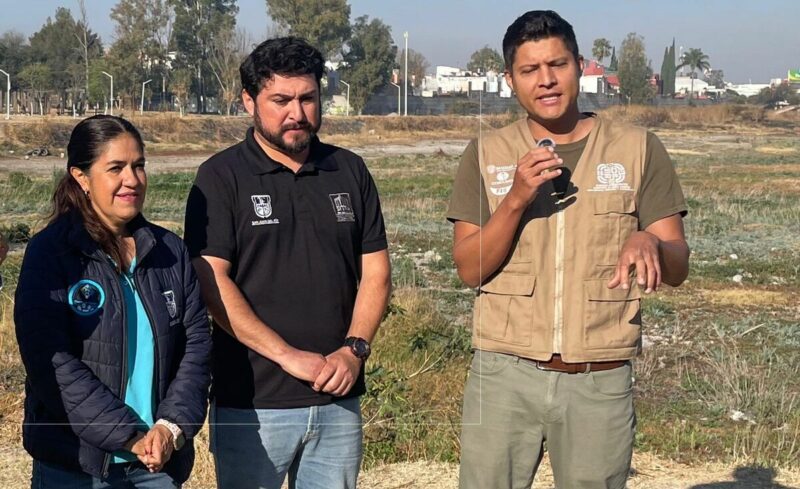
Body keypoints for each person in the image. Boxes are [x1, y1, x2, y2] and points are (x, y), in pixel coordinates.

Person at [447, 10, 690, 489]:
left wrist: (650, 241)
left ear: (579, 66)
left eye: (557, 64)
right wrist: (515, 199)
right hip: (503, 372)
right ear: (510, 80)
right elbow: (470, 269)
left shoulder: (637, 148)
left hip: (598, 377)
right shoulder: (487, 153)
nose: (546, 81)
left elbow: (678, 265)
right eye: (529, 70)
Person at [184, 37, 391, 489]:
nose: (296, 113)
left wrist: (354, 351)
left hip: (338, 398)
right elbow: (211, 281)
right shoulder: (220, 177)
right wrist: (288, 356)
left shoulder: (349, 170)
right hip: (253, 404)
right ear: (248, 101)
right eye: (280, 100)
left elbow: (376, 270)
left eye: (308, 98)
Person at [14, 115, 211, 488]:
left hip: (157, 465)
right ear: (81, 177)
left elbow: (196, 348)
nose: (132, 180)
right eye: (116, 168)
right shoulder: (51, 254)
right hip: (76, 466)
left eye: (139, 166)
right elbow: (52, 365)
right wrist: (128, 436)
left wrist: (170, 428)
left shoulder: (170, 250)